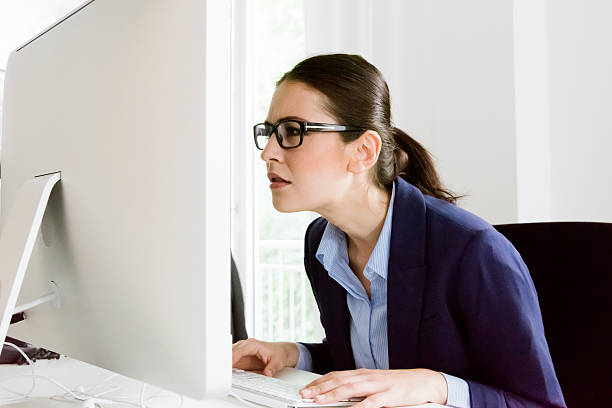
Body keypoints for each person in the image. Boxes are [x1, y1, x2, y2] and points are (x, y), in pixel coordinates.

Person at [232, 54, 566, 408]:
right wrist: (293, 354)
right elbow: (370, 363)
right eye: (269, 133)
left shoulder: (472, 251)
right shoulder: (322, 244)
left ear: (363, 151)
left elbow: (539, 403)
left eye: (291, 132)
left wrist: (437, 386)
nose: (268, 152)